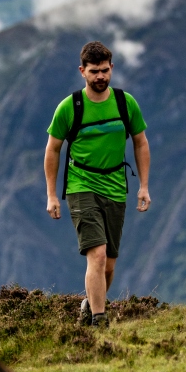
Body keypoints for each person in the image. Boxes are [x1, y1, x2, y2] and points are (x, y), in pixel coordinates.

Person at [44, 41, 151, 326]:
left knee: (109, 264)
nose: (100, 76)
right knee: (98, 254)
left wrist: (143, 186)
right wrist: (52, 195)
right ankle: (99, 321)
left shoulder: (125, 103)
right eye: (94, 71)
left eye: (105, 70)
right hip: (81, 186)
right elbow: (52, 149)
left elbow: (140, 143)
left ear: (112, 68)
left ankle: (88, 304)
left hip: (116, 187)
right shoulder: (70, 107)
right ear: (82, 71)